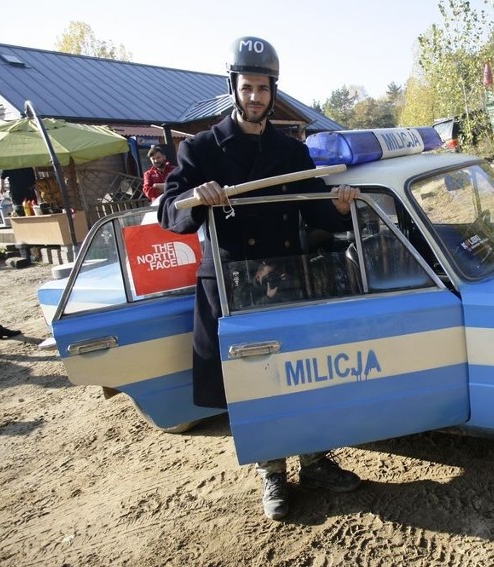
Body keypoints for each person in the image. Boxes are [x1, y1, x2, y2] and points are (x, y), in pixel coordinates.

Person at [156, 36, 362, 522]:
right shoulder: (201, 150)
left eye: (263, 88)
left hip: (285, 278)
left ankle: (313, 460)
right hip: (230, 283)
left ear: (273, 90)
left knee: (297, 374)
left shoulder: (290, 151)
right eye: (247, 87)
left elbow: (316, 209)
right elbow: (167, 210)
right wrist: (193, 199)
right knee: (253, 385)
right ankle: (272, 472)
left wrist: (337, 207)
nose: (255, 97)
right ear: (234, 88)